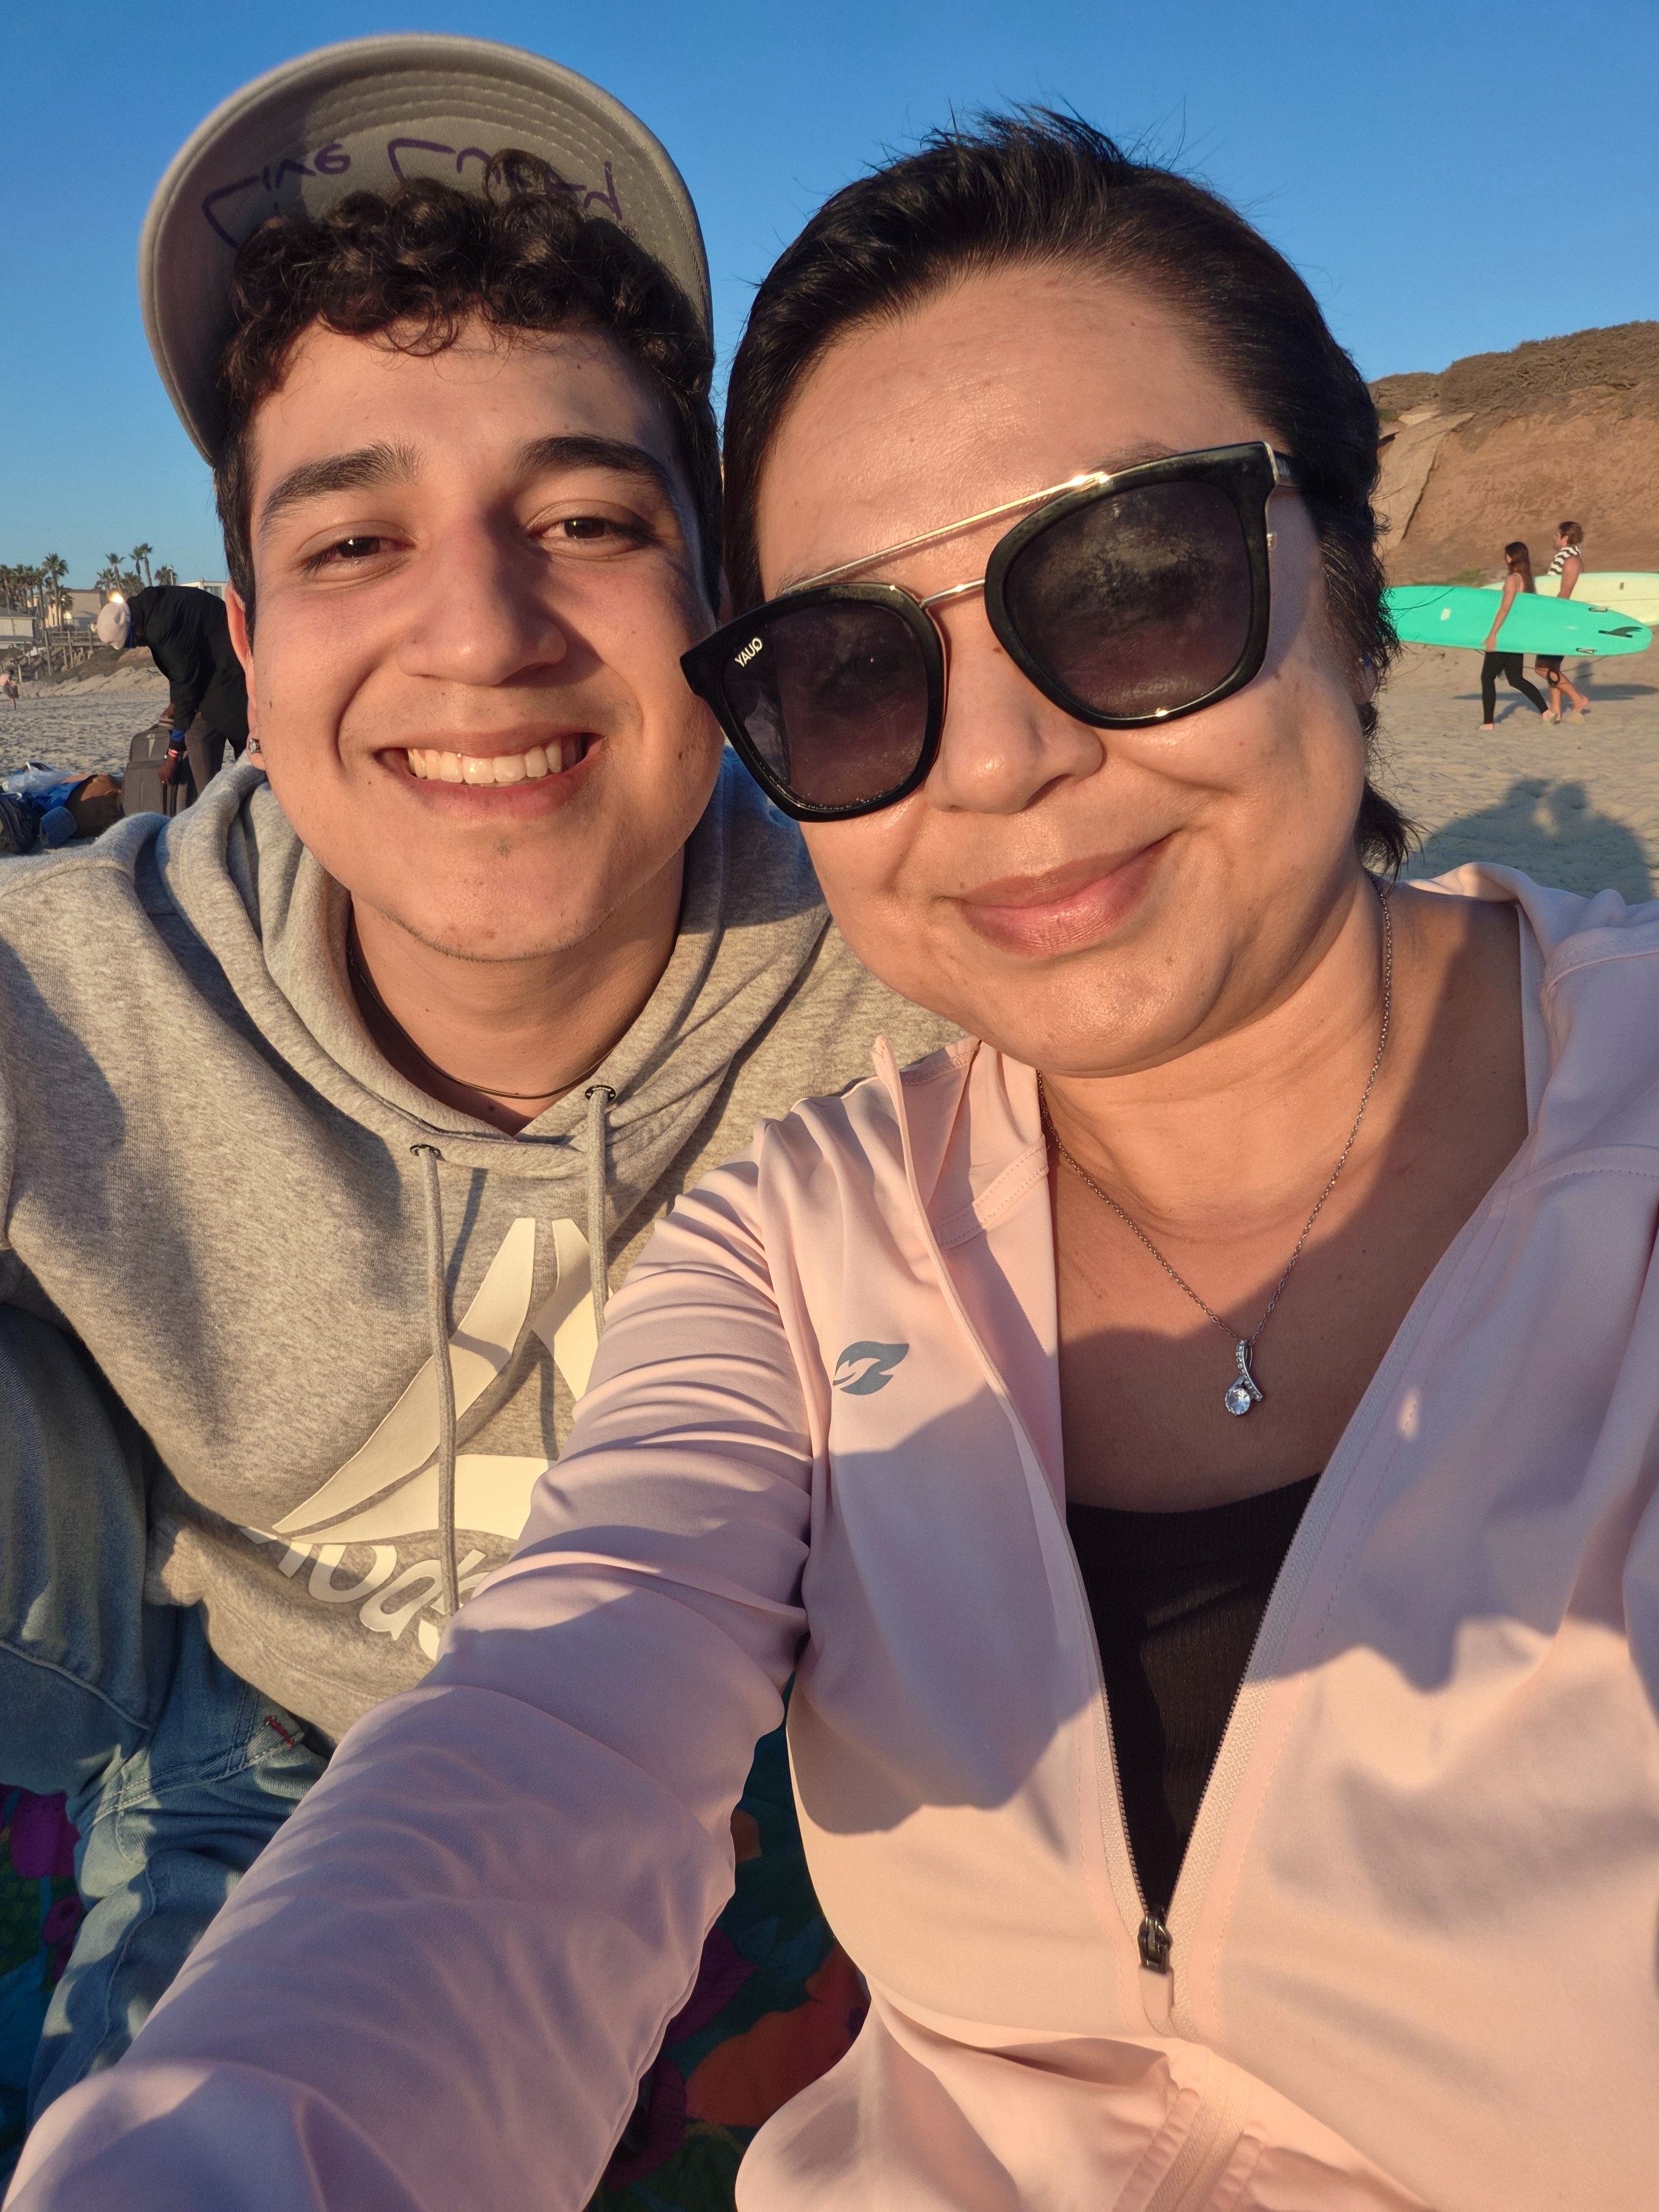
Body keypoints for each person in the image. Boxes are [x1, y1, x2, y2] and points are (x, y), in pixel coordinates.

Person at [18, 113, 1659, 2212]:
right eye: (858, 667)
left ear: (1343, 577)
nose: (1000, 759)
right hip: (212, 1700)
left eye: (1132, 582)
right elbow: (571, 1707)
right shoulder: (811, 1232)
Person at [0, 34, 952, 2195]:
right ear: (246, 652)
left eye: (588, 520)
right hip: (247, 1725)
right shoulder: (68, 983)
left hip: (763, 1757)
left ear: (715, 601)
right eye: (357, 537)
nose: (484, 630)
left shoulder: (924, 956)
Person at [92, 585, 246, 801]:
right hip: (212, 665)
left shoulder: (161, 626)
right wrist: (175, 704)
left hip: (230, 667)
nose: (134, 646)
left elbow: (186, 683)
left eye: (131, 641)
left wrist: (173, 755)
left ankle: (213, 802)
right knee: (203, 730)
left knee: (201, 735)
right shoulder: (148, 609)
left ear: (134, 626)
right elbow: (179, 668)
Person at [1477, 541, 1547, 728]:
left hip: (1504, 636)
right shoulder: (1527, 580)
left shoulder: (1512, 579)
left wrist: (1493, 634)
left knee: (1487, 678)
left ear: (1512, 558)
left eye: (1506, 556)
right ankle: (1546, 711)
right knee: (1516, 679)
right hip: (1516, 638)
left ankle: (1488, 723)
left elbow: (1505, 608)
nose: (1504, 559)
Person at [1536, 518, 1591, 722]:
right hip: (1558, 616)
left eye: (1557, 534)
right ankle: (1556, 710)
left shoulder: (1571, 559)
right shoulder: (1568, 557)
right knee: (1552, 667)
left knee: (1542, 668)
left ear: (1565, 537)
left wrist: (1552, 618)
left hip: (1559, 618)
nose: (1553, 537)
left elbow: (1565, 593)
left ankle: (1577, 699)